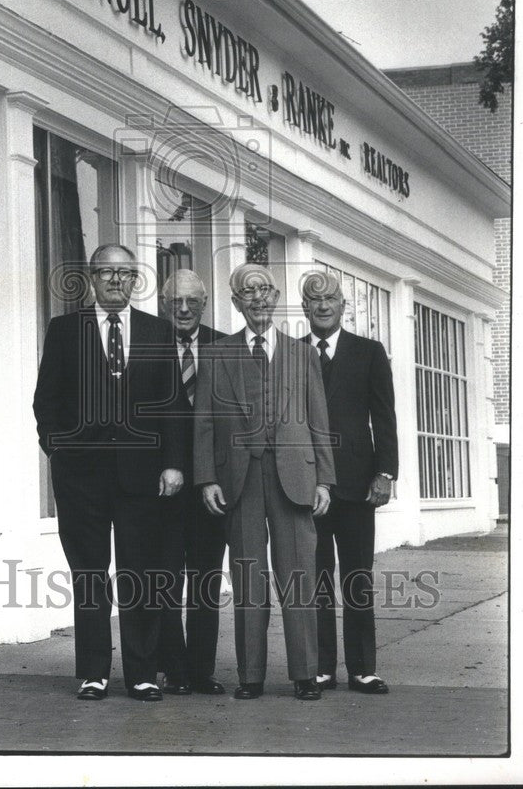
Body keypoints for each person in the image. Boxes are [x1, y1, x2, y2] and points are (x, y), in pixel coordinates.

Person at [33, 244, 186, 702]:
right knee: (89, 574)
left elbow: (174, 405)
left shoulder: (157, 332)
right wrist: (60, 451)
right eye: (107, 273)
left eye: (125, 273)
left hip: (142, 477)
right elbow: (47, 403)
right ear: (92, 278)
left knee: (139, 572)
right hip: (81, 479)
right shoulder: (65, 330)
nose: (116, 281)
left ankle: (140, 673)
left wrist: (174, 463)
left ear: (135, 279)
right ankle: (94, 672)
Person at [193, 262, 335, 701]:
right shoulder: (217, 354)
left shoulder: (302, 353)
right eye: (247, 292)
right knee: (248, 575)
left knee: (298, 575)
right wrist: (206, 479)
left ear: (275, 299)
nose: (257, 298)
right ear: (236, 303)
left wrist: (326, 480)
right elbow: (203, 422)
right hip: (241, 479)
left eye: (264, 291)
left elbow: (319, 420)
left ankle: (305, 673)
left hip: (296, 476)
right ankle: (250, 675)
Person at [300, 270, 399, 695]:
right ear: (304, 307)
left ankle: (362, 668)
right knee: (316, 578)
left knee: (357, 576)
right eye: (313, 299)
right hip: (307, 486)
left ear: (343, 305)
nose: (322, 305)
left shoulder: (369, 352)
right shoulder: (291, 353)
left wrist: (386, 472)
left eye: (330, 298)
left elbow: (385, 416)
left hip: (359, 484)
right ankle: (322, 667)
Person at [158, 269, 227, 696]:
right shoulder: (146, 345)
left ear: (203, 303)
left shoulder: (225, 347)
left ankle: (202, 671)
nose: (183, 309)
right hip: (162, 487)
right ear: (165, 304)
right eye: (175, 302)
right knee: (166, 579)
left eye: (191, 302)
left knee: (206, 579)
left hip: (211, 488)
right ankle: (173, 669)